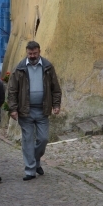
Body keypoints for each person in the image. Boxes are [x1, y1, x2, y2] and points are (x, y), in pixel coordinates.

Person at [7, 41, 62, 181]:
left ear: (39, 52)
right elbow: (12, 90)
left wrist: (56, 105)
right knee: (27, 140)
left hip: (43, 109)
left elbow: (55, 88)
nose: (32, 56)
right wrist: (13, 109)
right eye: (30, 54)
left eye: (35, 53)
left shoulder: (48, 67)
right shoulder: (19, 68)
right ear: (26, 52)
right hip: (25, 110)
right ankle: (30, 170)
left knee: (43, 139)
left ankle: (36, 160)